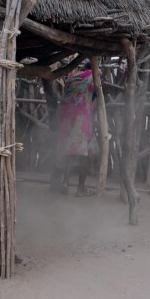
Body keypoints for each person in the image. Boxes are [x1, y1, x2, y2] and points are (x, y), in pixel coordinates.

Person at [56, 61, 97, 197]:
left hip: (67, 118)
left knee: (69, 151)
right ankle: (80, 189)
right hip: (81, 118)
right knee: (84, 155)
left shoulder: (72, 76)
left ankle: (65, 183)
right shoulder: (94, 76)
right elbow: (99, 96)